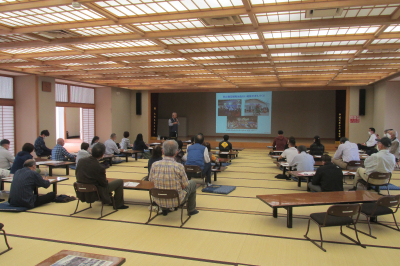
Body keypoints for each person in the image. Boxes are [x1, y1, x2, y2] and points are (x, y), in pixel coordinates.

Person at [149, 140, 199, 216]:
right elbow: (185, 185)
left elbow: (151, 181)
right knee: (192, 183)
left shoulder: (154, 165)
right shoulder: (179, 166)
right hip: (176, 200)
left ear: (162, 151)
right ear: (176, 152)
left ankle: (164, 208)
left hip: (158, 199)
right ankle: (191, 210)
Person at [75, 143, 128, 209]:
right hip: (95, 191)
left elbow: (77, 174)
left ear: (91, 151)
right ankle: (118, 204)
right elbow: (104, 184)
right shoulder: (99, 167)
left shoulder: (81, 161)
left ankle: (110, 200)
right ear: (102, 155)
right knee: (119, 182)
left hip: (81, 189)